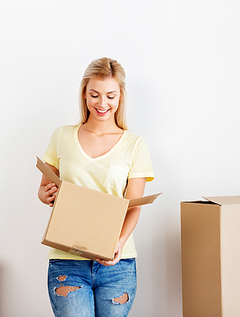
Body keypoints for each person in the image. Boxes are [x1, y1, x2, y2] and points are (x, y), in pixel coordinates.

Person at [38, 57, 154, 317]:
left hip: (117, 264)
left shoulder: (135, 145)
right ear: (84, 94)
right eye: (95, 95)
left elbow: (133, 205)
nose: (102, 104)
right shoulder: (62, 136)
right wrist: (44, 194)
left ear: (120, 96)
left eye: (110, 96)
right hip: (68, 260)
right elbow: (44, 187)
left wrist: (118, 244)